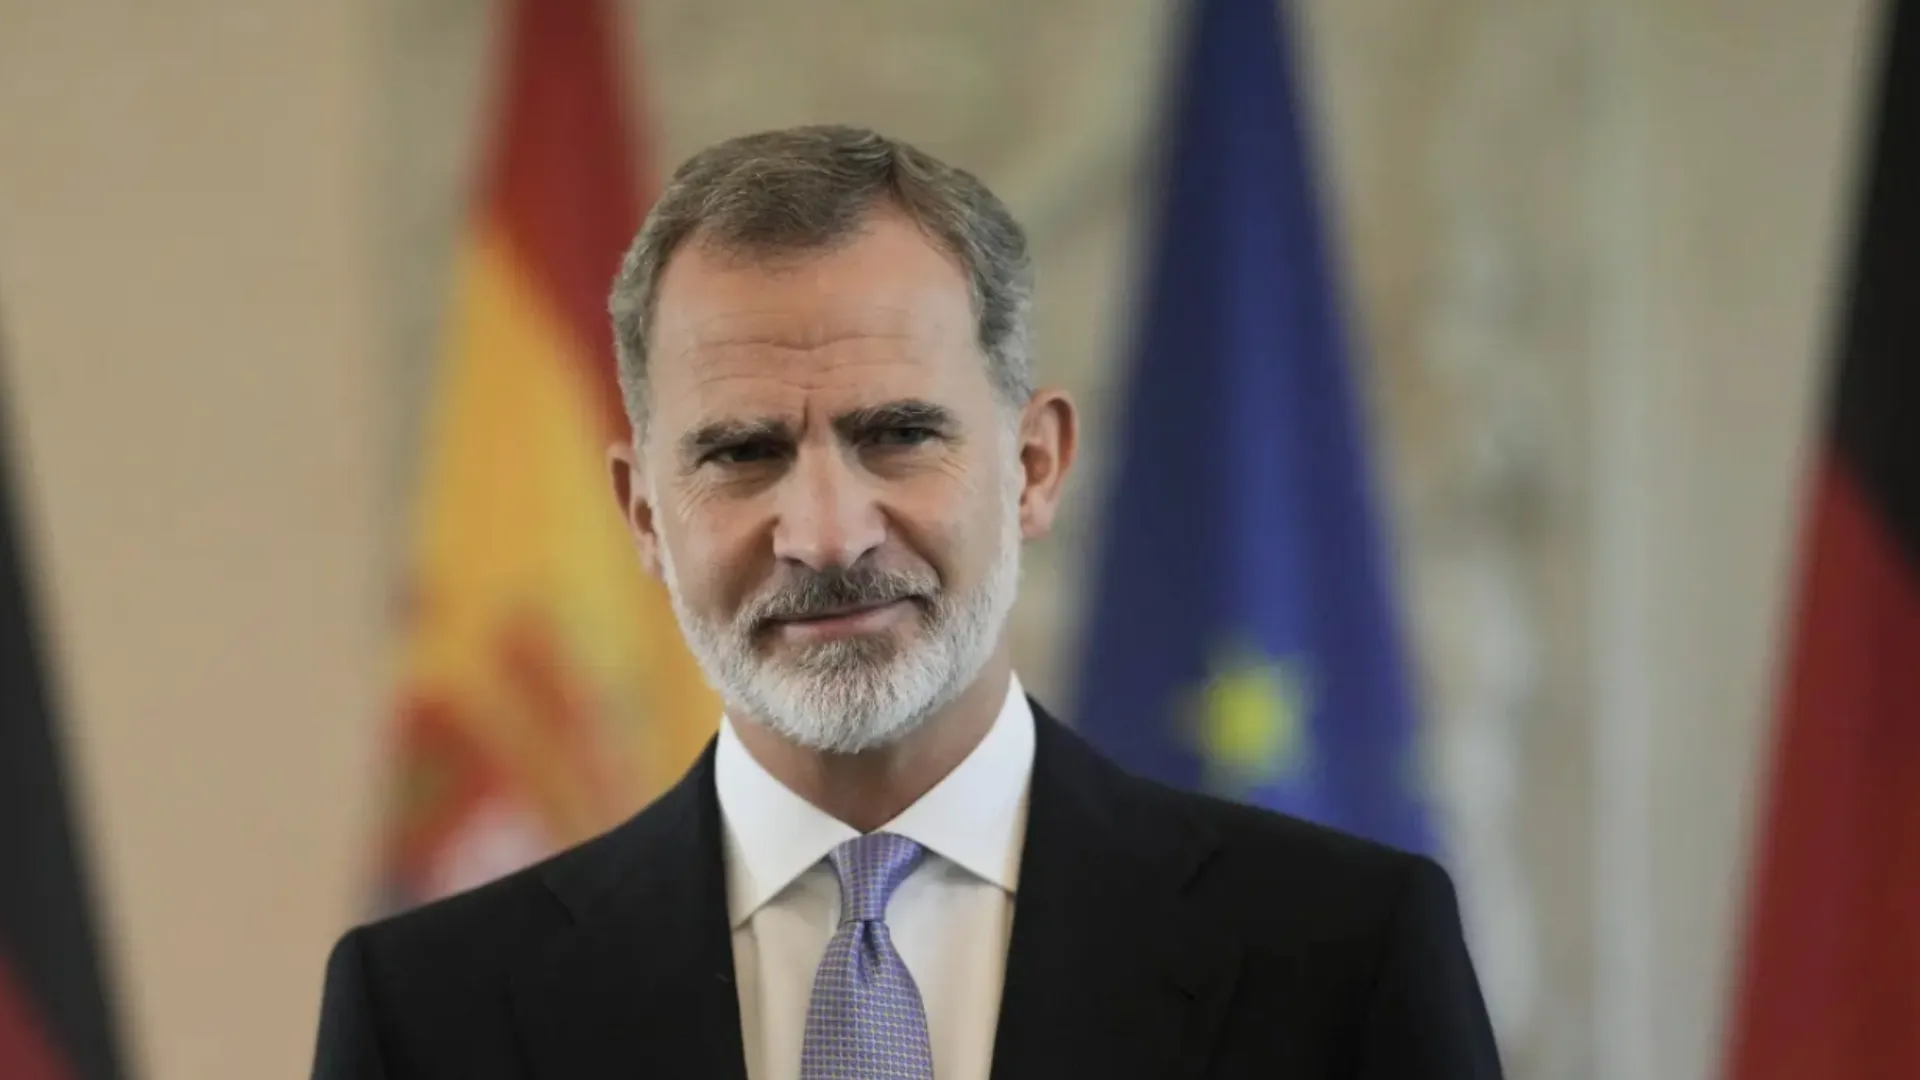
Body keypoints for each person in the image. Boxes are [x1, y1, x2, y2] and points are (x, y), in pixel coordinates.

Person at [311, 124, 1503, 1080]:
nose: (827, 534)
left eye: (896, 435)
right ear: (641, 515)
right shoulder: (431, 1016)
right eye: (742, 453)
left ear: (1034, 466)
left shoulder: (1342, 958)